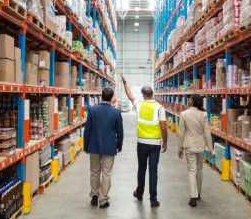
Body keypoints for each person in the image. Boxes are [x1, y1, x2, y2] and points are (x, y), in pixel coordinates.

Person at [121, 75, 167, 208]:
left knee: (141, 168)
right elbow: (163, 127)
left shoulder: (139, 105)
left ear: (143, 95)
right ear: (152, 94)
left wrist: (125, 84)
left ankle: (139, 193)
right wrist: (165, 142)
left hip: (141, 143)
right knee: (153, 171)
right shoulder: (160, 108)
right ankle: (153, 199)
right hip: (155, 144)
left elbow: (130, 96)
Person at [83, 86, 123, 209]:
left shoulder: (93, 110)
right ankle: (103, 200)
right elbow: (120, 132)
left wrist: (85, 145)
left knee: (94, 171)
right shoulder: (116, 112)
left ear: (101, 96)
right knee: (106, 173)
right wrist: (119, 145)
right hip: (109, 147)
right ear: (112, 98)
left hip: (93, 146)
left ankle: (94, 195)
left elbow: (87, 129)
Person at [178, 94, 213, 207]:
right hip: (201, 146)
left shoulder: (184, 114)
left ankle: (193, 197)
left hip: (189, 146)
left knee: (192, 171)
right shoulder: (203, 114)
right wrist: (210, 149)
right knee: (199, 170)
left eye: (189, 99)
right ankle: (198, 194)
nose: (188, 100)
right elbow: (207, 133)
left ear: (192, 101)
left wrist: (180, 148)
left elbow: (182, 133)